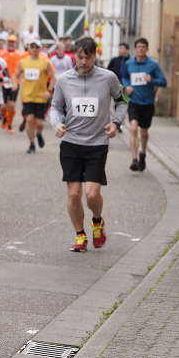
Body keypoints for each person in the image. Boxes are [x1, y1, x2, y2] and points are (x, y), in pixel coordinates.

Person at [50, 37, 127, 252]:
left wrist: (116, 123)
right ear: (75, 55)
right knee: (74, 194)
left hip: (97, 143)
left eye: (88, 57)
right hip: (71, 143)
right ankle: (80, 235)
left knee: (92, 194)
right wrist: (57, 124)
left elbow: (123, 101)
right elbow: (55, 107)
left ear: (95, 55)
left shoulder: (108, 78)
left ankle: (97, 220)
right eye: (80, 57)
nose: (83, 62)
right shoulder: (64, 80)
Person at [121, 38, 166, 172]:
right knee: (133, 129)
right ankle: (134, 159)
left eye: (143, 47)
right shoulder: (128, 63)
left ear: (147, 49)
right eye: (138, 47)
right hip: (134, 101)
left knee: (144, 132)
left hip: (147, 103)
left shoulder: (153, 65)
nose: (140, 49)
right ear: (135, 49)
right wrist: (126, 86)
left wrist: (152, 79)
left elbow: (164, 82)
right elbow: (123, 77)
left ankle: (143, 153)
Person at [14, 39, 55, 153]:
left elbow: (53, 77)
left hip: (41, 97)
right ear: (29, 49)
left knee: (39, 123)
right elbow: (16, 75)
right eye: (32, 47)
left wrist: (49, 90)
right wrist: (14, 84)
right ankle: (31, 143)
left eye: (37, 47)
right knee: (29, 119)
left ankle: (39, 133)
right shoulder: (23, 62)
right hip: (27, 96)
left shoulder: (45, 62)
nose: (34, 49)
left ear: (40, 49)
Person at [0, 34, 24, 132]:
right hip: (3, 83)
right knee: (3, 106)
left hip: (14, 82)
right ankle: (4, 118)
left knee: (12, 105)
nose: (11, 43)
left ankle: (9, 124)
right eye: (9, 41)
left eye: (13, 42)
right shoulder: (1, 53)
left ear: (16, 43)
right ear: (7, 43)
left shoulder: (20, 55)